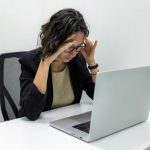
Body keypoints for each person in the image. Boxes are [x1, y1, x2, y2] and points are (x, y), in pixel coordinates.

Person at [18, 8, 99, 120]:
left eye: (78, 46)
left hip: (65, 123)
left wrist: (91, 62)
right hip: (34, 129)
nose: (73, 52)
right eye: (69, 46)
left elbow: (99, 97)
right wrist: (45, 63)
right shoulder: (30, 61)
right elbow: (32, 113)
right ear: (54, 39)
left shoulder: (77, 60)